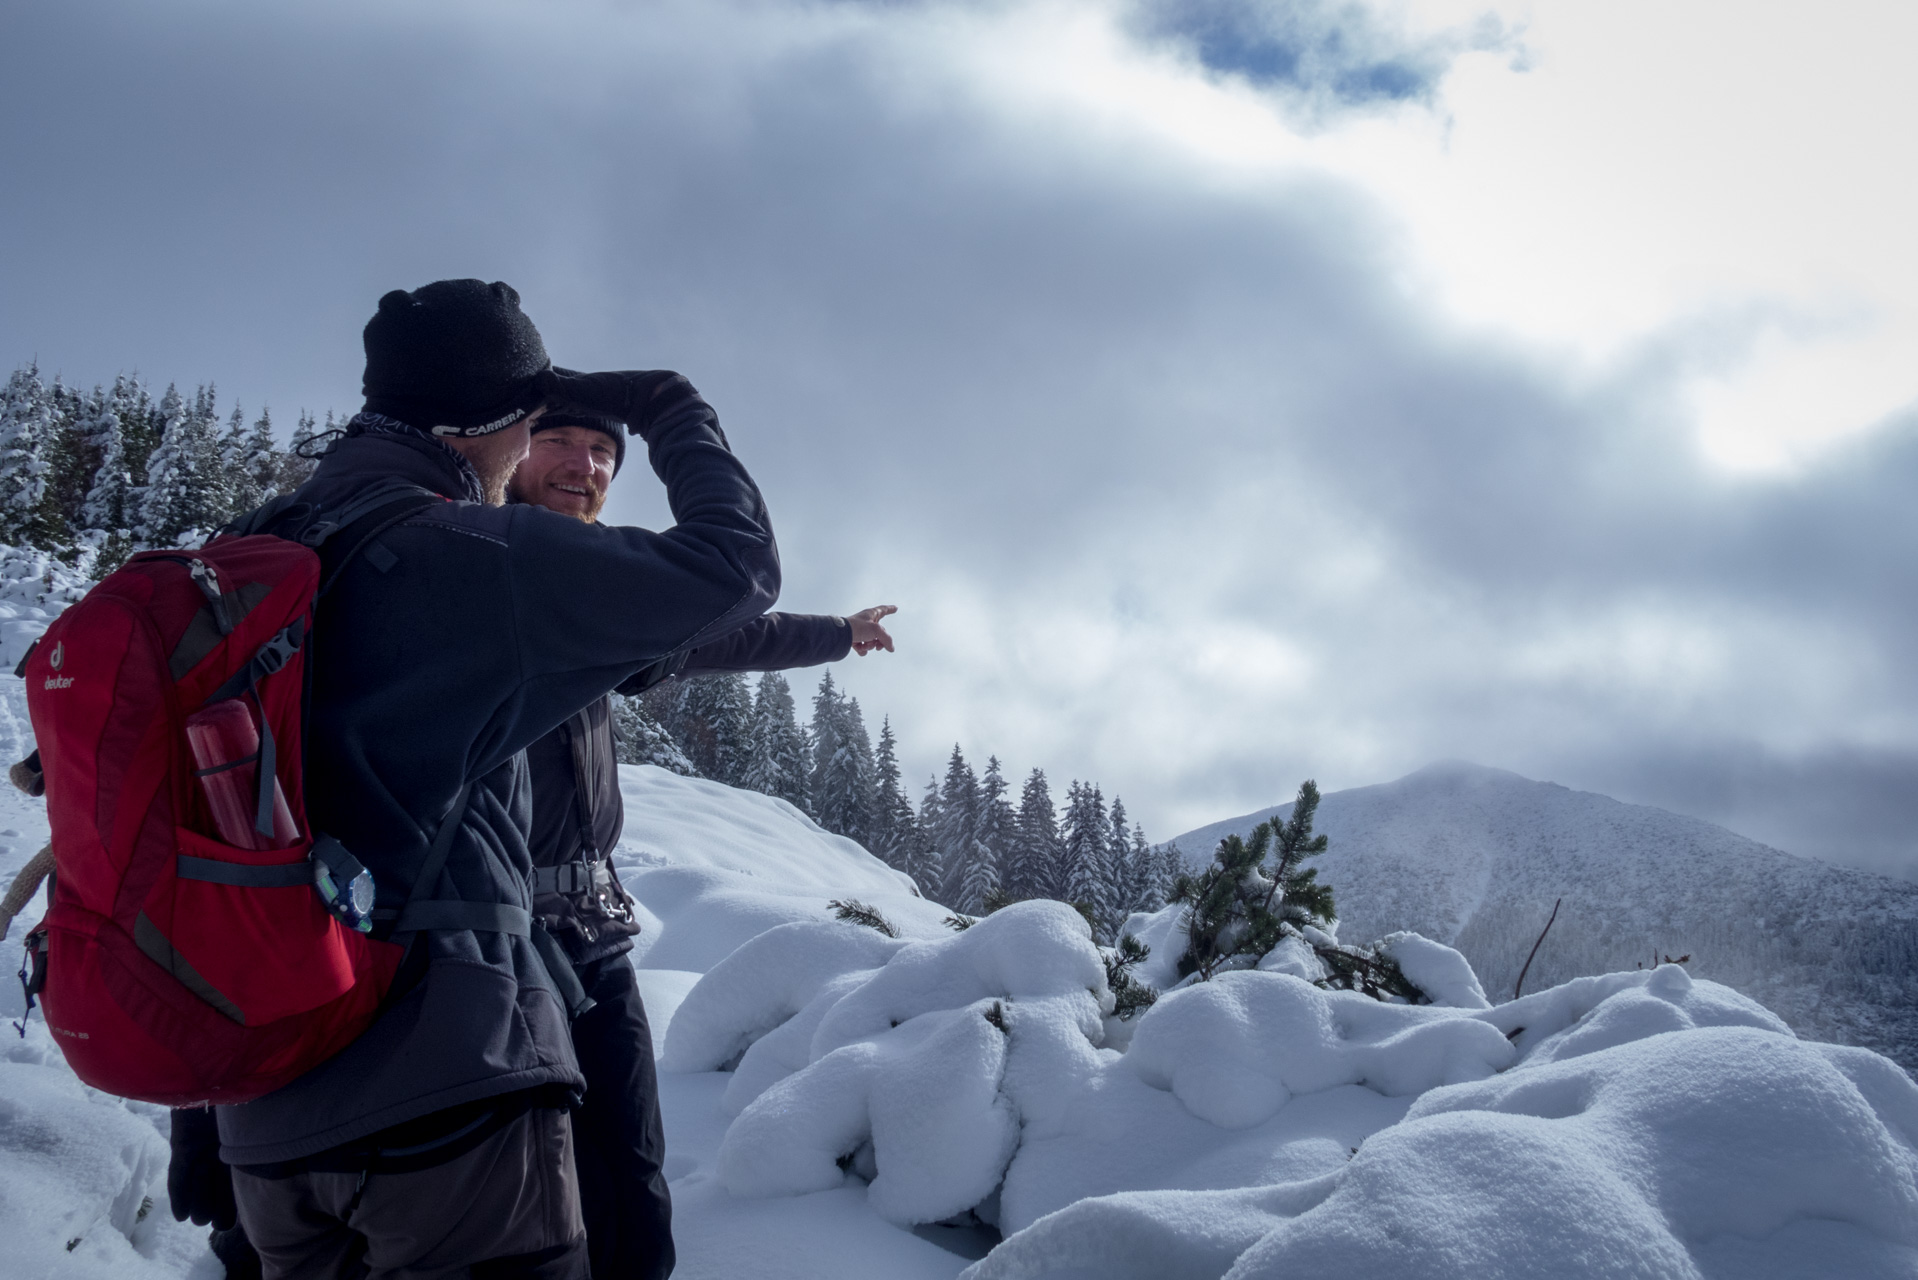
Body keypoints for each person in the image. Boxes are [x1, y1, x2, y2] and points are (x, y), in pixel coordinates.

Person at [166, 278, 781, 1280]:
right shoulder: (469, 554)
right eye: (538, 418)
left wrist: (199, 1100)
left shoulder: (261, 546)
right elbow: (735, 570)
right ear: (502, 422)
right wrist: (672, 405)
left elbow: (200, 815)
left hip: (268, 1093)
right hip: (441, 1088)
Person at [507, 409, 896, 1280]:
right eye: (562, 441)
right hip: (489, 930)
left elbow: (722, 633)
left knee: (630, 1168)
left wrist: (837, 631)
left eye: (605, 451)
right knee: (520, 1176)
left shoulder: (599, 587)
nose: (587, 463)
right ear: (509, 449)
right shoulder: (485, 560)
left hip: (590, 928)